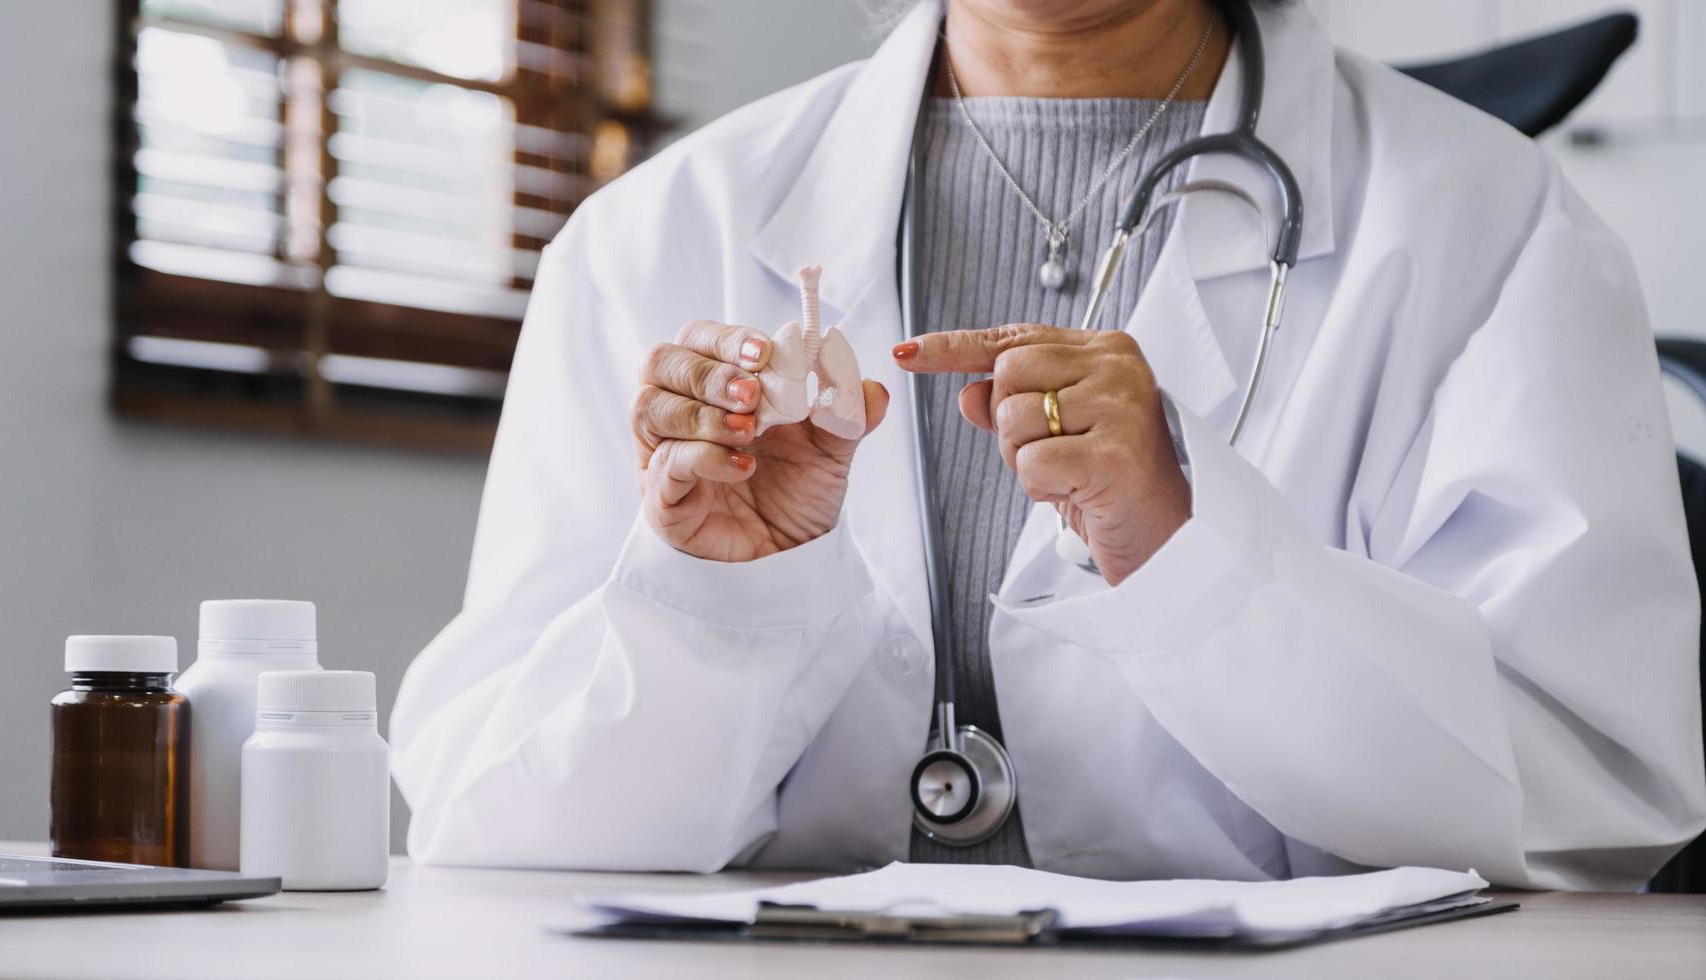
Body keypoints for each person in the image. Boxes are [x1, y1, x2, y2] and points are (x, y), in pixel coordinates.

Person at [389, 0, 1705, 889]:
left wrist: (1200, 559)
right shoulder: (649, 234)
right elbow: (497, 834)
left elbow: (1596, 798)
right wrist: (718, 595)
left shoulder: (1498, 225)